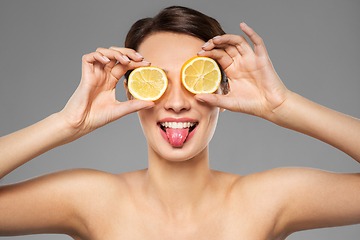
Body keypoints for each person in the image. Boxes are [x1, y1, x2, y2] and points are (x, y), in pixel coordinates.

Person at [0, 5, 359, 239]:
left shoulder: (266, 200)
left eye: (193, 79)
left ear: (224, 90)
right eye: (156, 81)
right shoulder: (94, 200)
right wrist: (66, 123)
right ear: (131, 92)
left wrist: (283, 105)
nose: (174, 104)